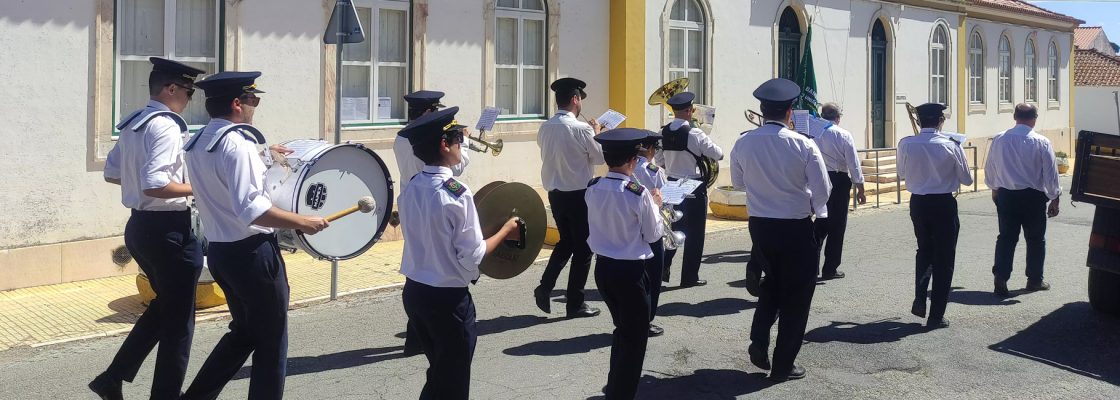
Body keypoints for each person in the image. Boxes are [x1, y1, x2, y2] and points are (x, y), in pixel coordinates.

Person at [180, 71, 329, 400]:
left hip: (221, 252)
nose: (255, 106)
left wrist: (264, 153)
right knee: (272, 342)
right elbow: (254, 210)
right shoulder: (239, 145)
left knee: (245, 332)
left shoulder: (200, 142)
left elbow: (224, 172)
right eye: (253, 100)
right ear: (237, 103)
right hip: (252, 255)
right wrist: (303, 222)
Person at [91, 57, 205, 400]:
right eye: (187, 92)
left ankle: (113, 377)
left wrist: (140, 185)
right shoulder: (168, 126)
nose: (189, 99)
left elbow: (112, 173)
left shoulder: (134, 122)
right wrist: (203, 188)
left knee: (165, 307)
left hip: (140, 229)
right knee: (179, 324)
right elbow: (157, 185)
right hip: (169, 230)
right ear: (171, 89)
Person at [396, 106, 521, 400]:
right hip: (447, 300)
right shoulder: (456, 191)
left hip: (415, 294)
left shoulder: (412, 187)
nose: (461, 146)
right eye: (458, 141)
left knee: (440, 374)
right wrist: (505, 231)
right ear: (444, 145)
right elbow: (474, 255)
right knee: (452, 383)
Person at [730, 78, 830, 382]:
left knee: (772, 284)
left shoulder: (743, 142)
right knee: (797, 297)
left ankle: (759, 340)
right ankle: (783, 365)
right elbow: (823, 191)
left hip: (760, 227)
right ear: (790, 111)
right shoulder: (804, 143)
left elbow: (738, 184)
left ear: (762, 110)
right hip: (795, 228)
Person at [585, 128, 664, 399]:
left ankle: (616, 389)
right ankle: (621, 393)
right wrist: (654, 204)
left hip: (604, 269)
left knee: (623, 332)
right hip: (630, 273)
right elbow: (653, 235)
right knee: (635, 341)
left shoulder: (593, 188)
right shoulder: (637, 192)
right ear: (632, 160)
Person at [392, 89, 472, 357]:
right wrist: (465, 143)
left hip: (414, 199)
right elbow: (455, 168)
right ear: (428, 113)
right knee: (436, 265)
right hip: (435, 200)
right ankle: (420, 334)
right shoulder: (428, 142)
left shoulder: (402, 137)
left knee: (419, 263)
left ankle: (415, 337)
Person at [896, 103, 973, 329]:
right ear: (940, 122)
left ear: (919, 122)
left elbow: (901, 173)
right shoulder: (951, 145)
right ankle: (936, 315)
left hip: (918, 203)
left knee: (924, 250)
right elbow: (967, 179)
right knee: (945, 258)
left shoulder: (906, 143)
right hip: (943, 204)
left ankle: (920, 296)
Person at [533, 77, 603, 318]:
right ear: (575, 99)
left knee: (566, 243)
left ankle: (545, 287)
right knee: (583, 249)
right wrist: (596, 133)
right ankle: (575, 303)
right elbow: (599, 158)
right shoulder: (581, 128)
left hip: (556, 193)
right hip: (579, 195)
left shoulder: (545, 126)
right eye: (580, 99)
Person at [985, 103, 1061, 296]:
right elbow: (1050, 174)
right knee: (1035, 239)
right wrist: (1054, 198)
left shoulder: (1000, 139)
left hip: (1007, 195)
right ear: (1034, 118)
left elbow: (991, 168)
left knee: (1006, 238)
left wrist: (995, 189)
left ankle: (1001, 276)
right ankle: (1034, 279)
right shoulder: (1042, 142)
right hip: (1033, 197)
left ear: (1015, 117)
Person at [657, 91, 724, 287]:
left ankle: (663, 267)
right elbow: (718, 154)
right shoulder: (695, 133)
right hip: (693, 185)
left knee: (672, 228)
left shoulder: (663, 132)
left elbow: (659, 160)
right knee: (695, 233)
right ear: (688, 111)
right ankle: (689, 277)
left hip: (671, 183)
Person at [812, 103, 867, 280]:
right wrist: (860, 188)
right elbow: (853, 162)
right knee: (837, 226)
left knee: (820, 222)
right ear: (838, 117)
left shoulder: (813, 133)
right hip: (838, 179)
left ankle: (811, 267)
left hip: (817, 178)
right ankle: (830, 268)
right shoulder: (843, 134)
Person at [632, 131, 668, 337]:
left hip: (633, 230)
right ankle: (646, 320)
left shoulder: (630, 167)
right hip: (653, 228)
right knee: (653, 278)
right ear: (652, 150)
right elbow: (666, 198)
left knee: (638, 277)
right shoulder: (655, 171)